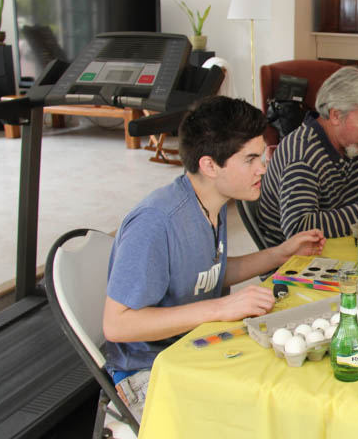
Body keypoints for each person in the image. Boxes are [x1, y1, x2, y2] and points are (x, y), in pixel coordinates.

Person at [103, 96, 326, 421]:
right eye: (250, 159)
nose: (263, 168)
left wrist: (282, 252)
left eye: (261, 156)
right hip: (149, 372)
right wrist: (221, 308)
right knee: (272, 415)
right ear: (210, 165)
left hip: (194, 349)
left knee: (298, 379)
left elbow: (211, 273)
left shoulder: (211, 203)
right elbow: (117, 324)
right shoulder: (157, 222)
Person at [254, 66, 358, 249]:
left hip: (337, 244)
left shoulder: (353, 144)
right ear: (335, 115)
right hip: (295, 264)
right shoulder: (302, 156)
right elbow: (299, 229)